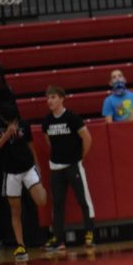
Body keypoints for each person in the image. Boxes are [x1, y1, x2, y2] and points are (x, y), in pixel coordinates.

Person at [41, 85, 96, 251]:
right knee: (57, 203)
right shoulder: (47, 121)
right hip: (56, 167)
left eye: (53, 97)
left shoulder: (73, 118)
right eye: (48, 98)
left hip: (74, 165)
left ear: (61, 98)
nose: (49, 101)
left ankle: (90, 233)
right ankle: (58, 239)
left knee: (83, 200)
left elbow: (87, 139)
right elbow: (48, 140)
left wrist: (79, 158)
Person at [0, 103, 46, 261]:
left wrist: (38, 166)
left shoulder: (24, 125)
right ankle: (20, 246)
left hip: (28, 168)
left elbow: (31, 146)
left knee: (41, 200)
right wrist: (7, 135)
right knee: (15, 210)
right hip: (10, 173)